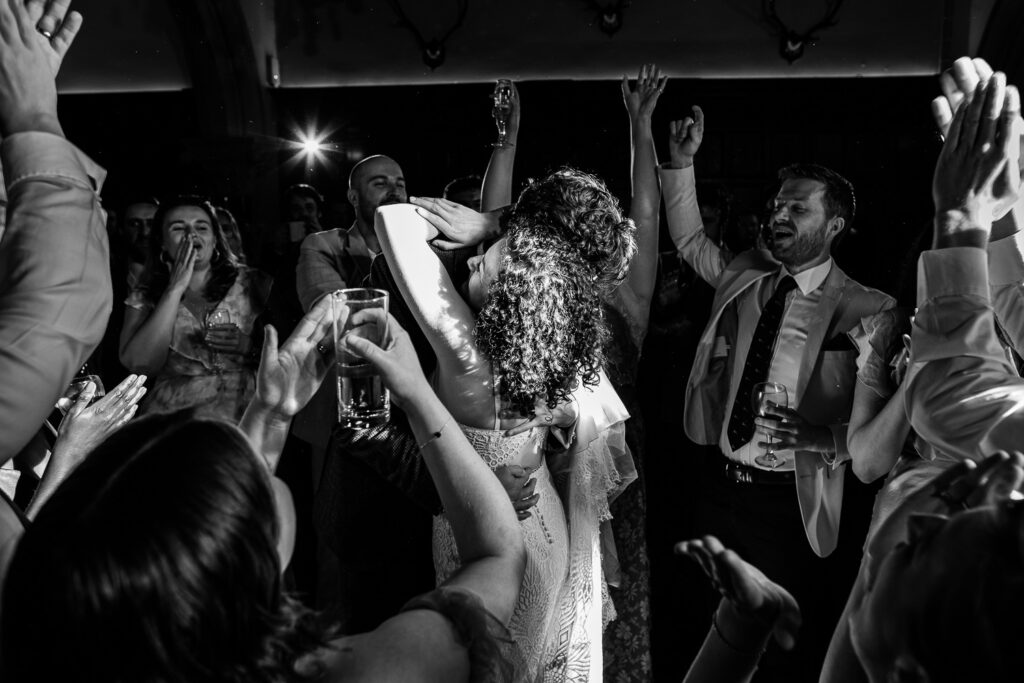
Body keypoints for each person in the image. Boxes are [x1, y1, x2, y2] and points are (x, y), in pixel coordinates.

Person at [1, 296, 528, 682]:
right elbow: (496, 552)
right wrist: (415, 394)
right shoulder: (372, 670)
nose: (258, 465)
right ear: (241, 559)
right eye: (244, 475)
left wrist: (271, 410)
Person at [660, 106, 894, 679]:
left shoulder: (870, 308)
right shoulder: (747, 272)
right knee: (707, 626)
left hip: (790, 502)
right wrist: (682, 165)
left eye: (797, 206)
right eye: (776, 204)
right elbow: (690, 240)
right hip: (719, 485)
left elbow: (887, 429)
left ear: (833, 225)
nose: (777, 214)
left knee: (783, 646)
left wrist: (821, 436)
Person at [377, 167, 638, 680]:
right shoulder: (552, 340)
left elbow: (393, 220)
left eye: (481, 266)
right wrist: (510, 232)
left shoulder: (469, 356)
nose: (471, 258)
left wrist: (492, 222)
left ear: (505, 296)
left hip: (493, 532)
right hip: (543, 524)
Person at [119, 195, 271, 422]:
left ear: (215, 239)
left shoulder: (254, 283)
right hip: (174, 420)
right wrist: (174, 289)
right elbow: (141, 364)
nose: (192, 235)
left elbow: (288, 348)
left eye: (201, 227)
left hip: (244, 415)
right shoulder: (146, 294)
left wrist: (248, 346)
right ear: (162, 241)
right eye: (178, 228)